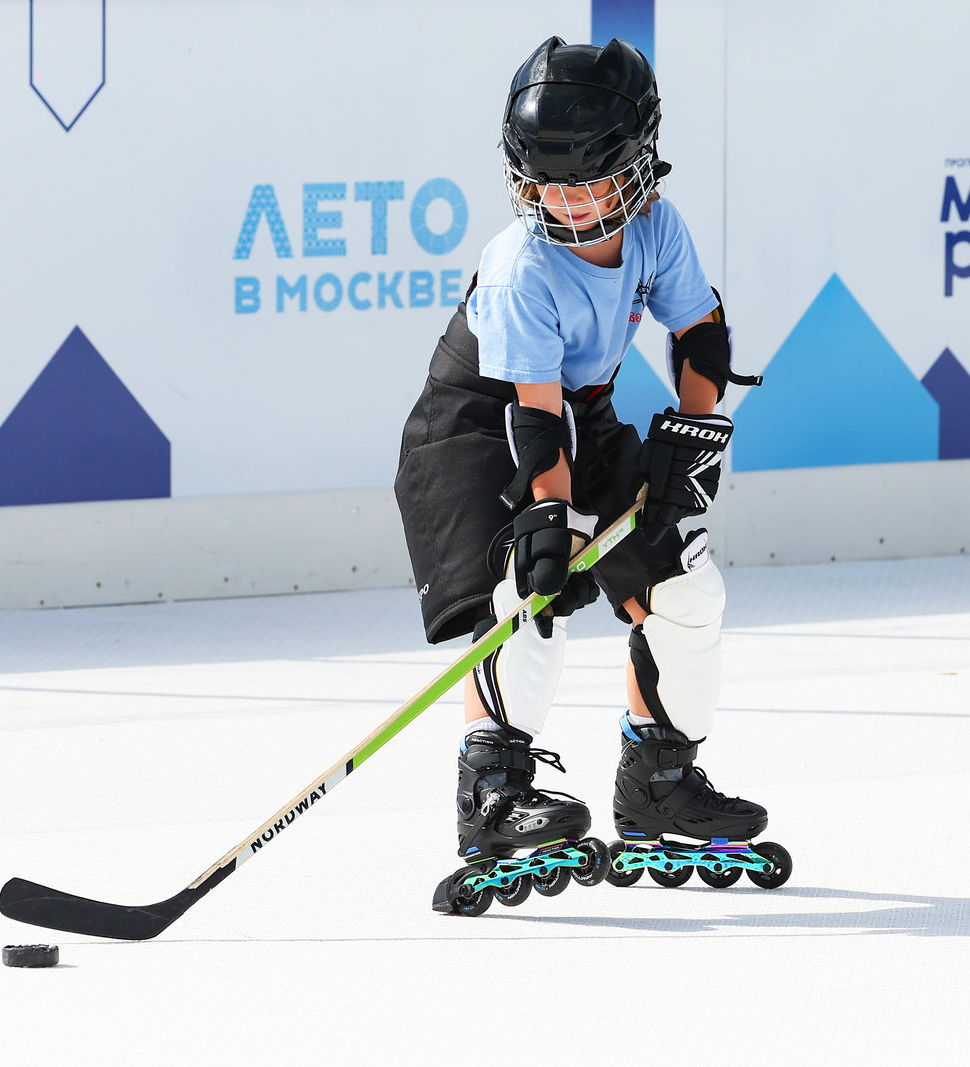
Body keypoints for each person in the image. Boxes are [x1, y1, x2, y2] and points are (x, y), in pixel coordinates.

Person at [396, 36, 786, 914]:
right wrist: (550, 522)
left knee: (685, 586)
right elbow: (531, 418)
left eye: (591, 184)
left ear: (639, 167)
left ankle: (658, 776)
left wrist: (695, 434)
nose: (568, 205)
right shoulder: (525, 265)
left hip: (581, 411)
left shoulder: (658, 226)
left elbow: (702, 336)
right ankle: (492, 791)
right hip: (478, 424)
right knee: (528, 585)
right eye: (546, 185)